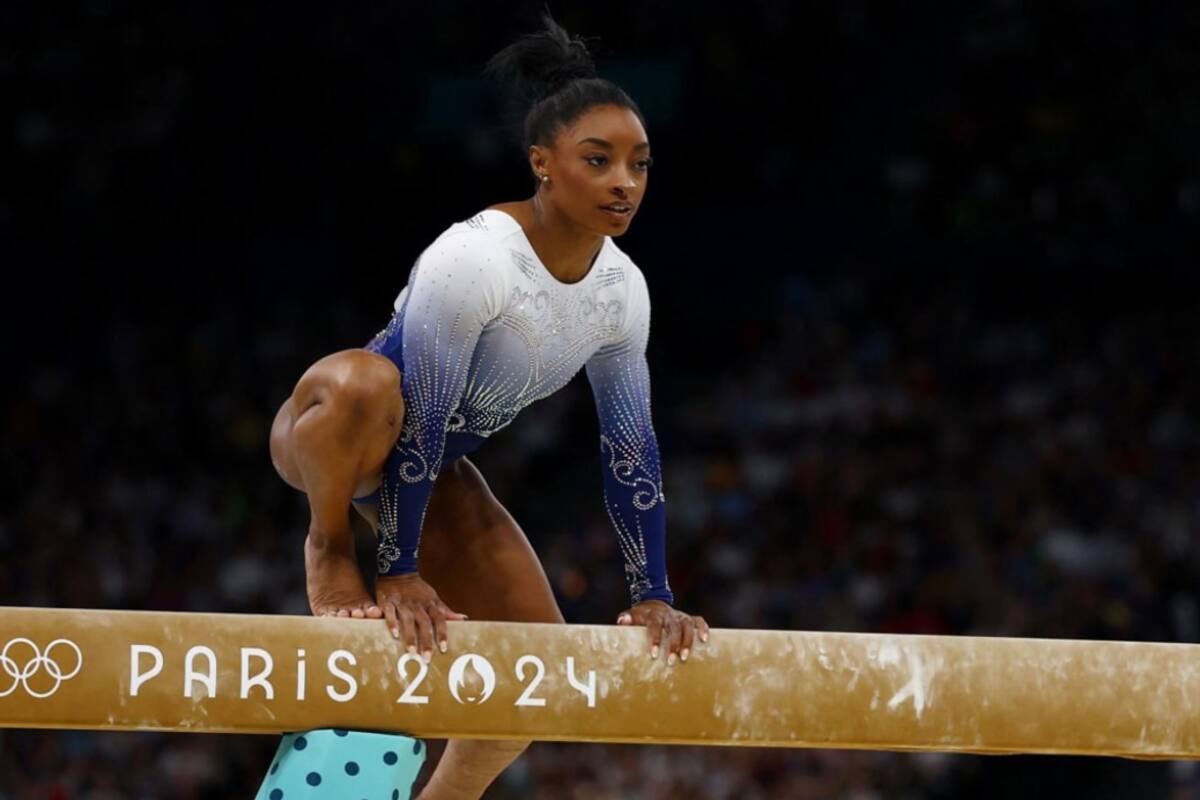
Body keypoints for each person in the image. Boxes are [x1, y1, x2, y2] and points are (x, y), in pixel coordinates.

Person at [268, 12, 709, 799]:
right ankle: (330, 546)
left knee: (535, 676)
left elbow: (630, 452)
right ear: (542, 163)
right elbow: (424, 413)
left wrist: (653, 596)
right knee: (371, 383)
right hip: (336, 433)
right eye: (598, 160)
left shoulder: (622, 292)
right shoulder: (474, 257)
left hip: (435, 471)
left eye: (640, 164)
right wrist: (394, 571)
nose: (624, 183)